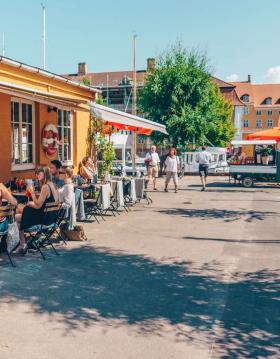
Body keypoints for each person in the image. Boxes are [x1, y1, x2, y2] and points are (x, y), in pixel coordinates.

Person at [15, 167, 59, 254]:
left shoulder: (45, 187)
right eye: (37, 173)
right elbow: (42, 204)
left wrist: (32, 193)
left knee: (17, 217)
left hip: (44, 219)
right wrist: (31, 203)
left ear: (45, 174)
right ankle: (26, 242)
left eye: (39, 173)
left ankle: (22, 244)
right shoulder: (53, 185)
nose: (37, 175)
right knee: (21, 210)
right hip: (51, 218)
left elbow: (38, 206)